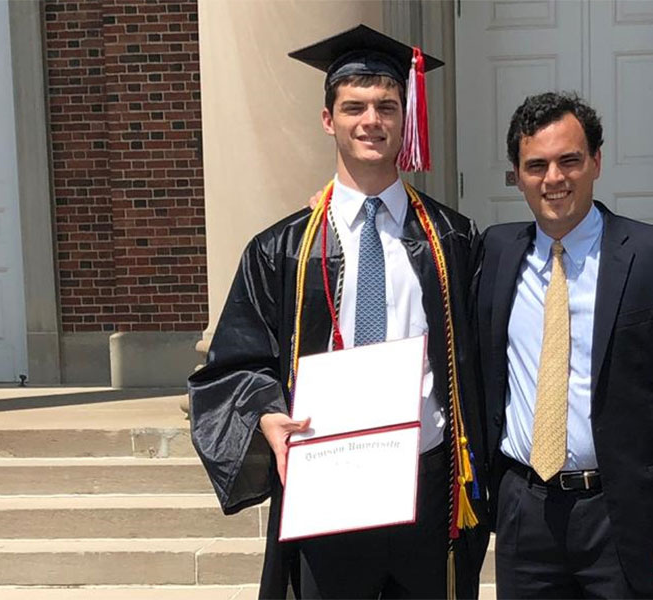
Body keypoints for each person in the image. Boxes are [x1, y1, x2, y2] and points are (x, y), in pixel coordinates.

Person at [188, 24, 488, 600]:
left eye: (386, 106)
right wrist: (266, 418)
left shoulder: (453, 238)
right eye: (354, 107)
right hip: (327, 486)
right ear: (329, 119)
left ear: (406, 117)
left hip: (429, 485)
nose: (370, 120)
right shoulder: (282, 248)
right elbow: (235, 364)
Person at [475, 91, 653, 599]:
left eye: (570, 160)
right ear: (517, 175)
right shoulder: (494, 253)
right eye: (536, 165)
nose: (554, 179)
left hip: (625, 513)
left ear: (596, 162)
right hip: (526, 511)